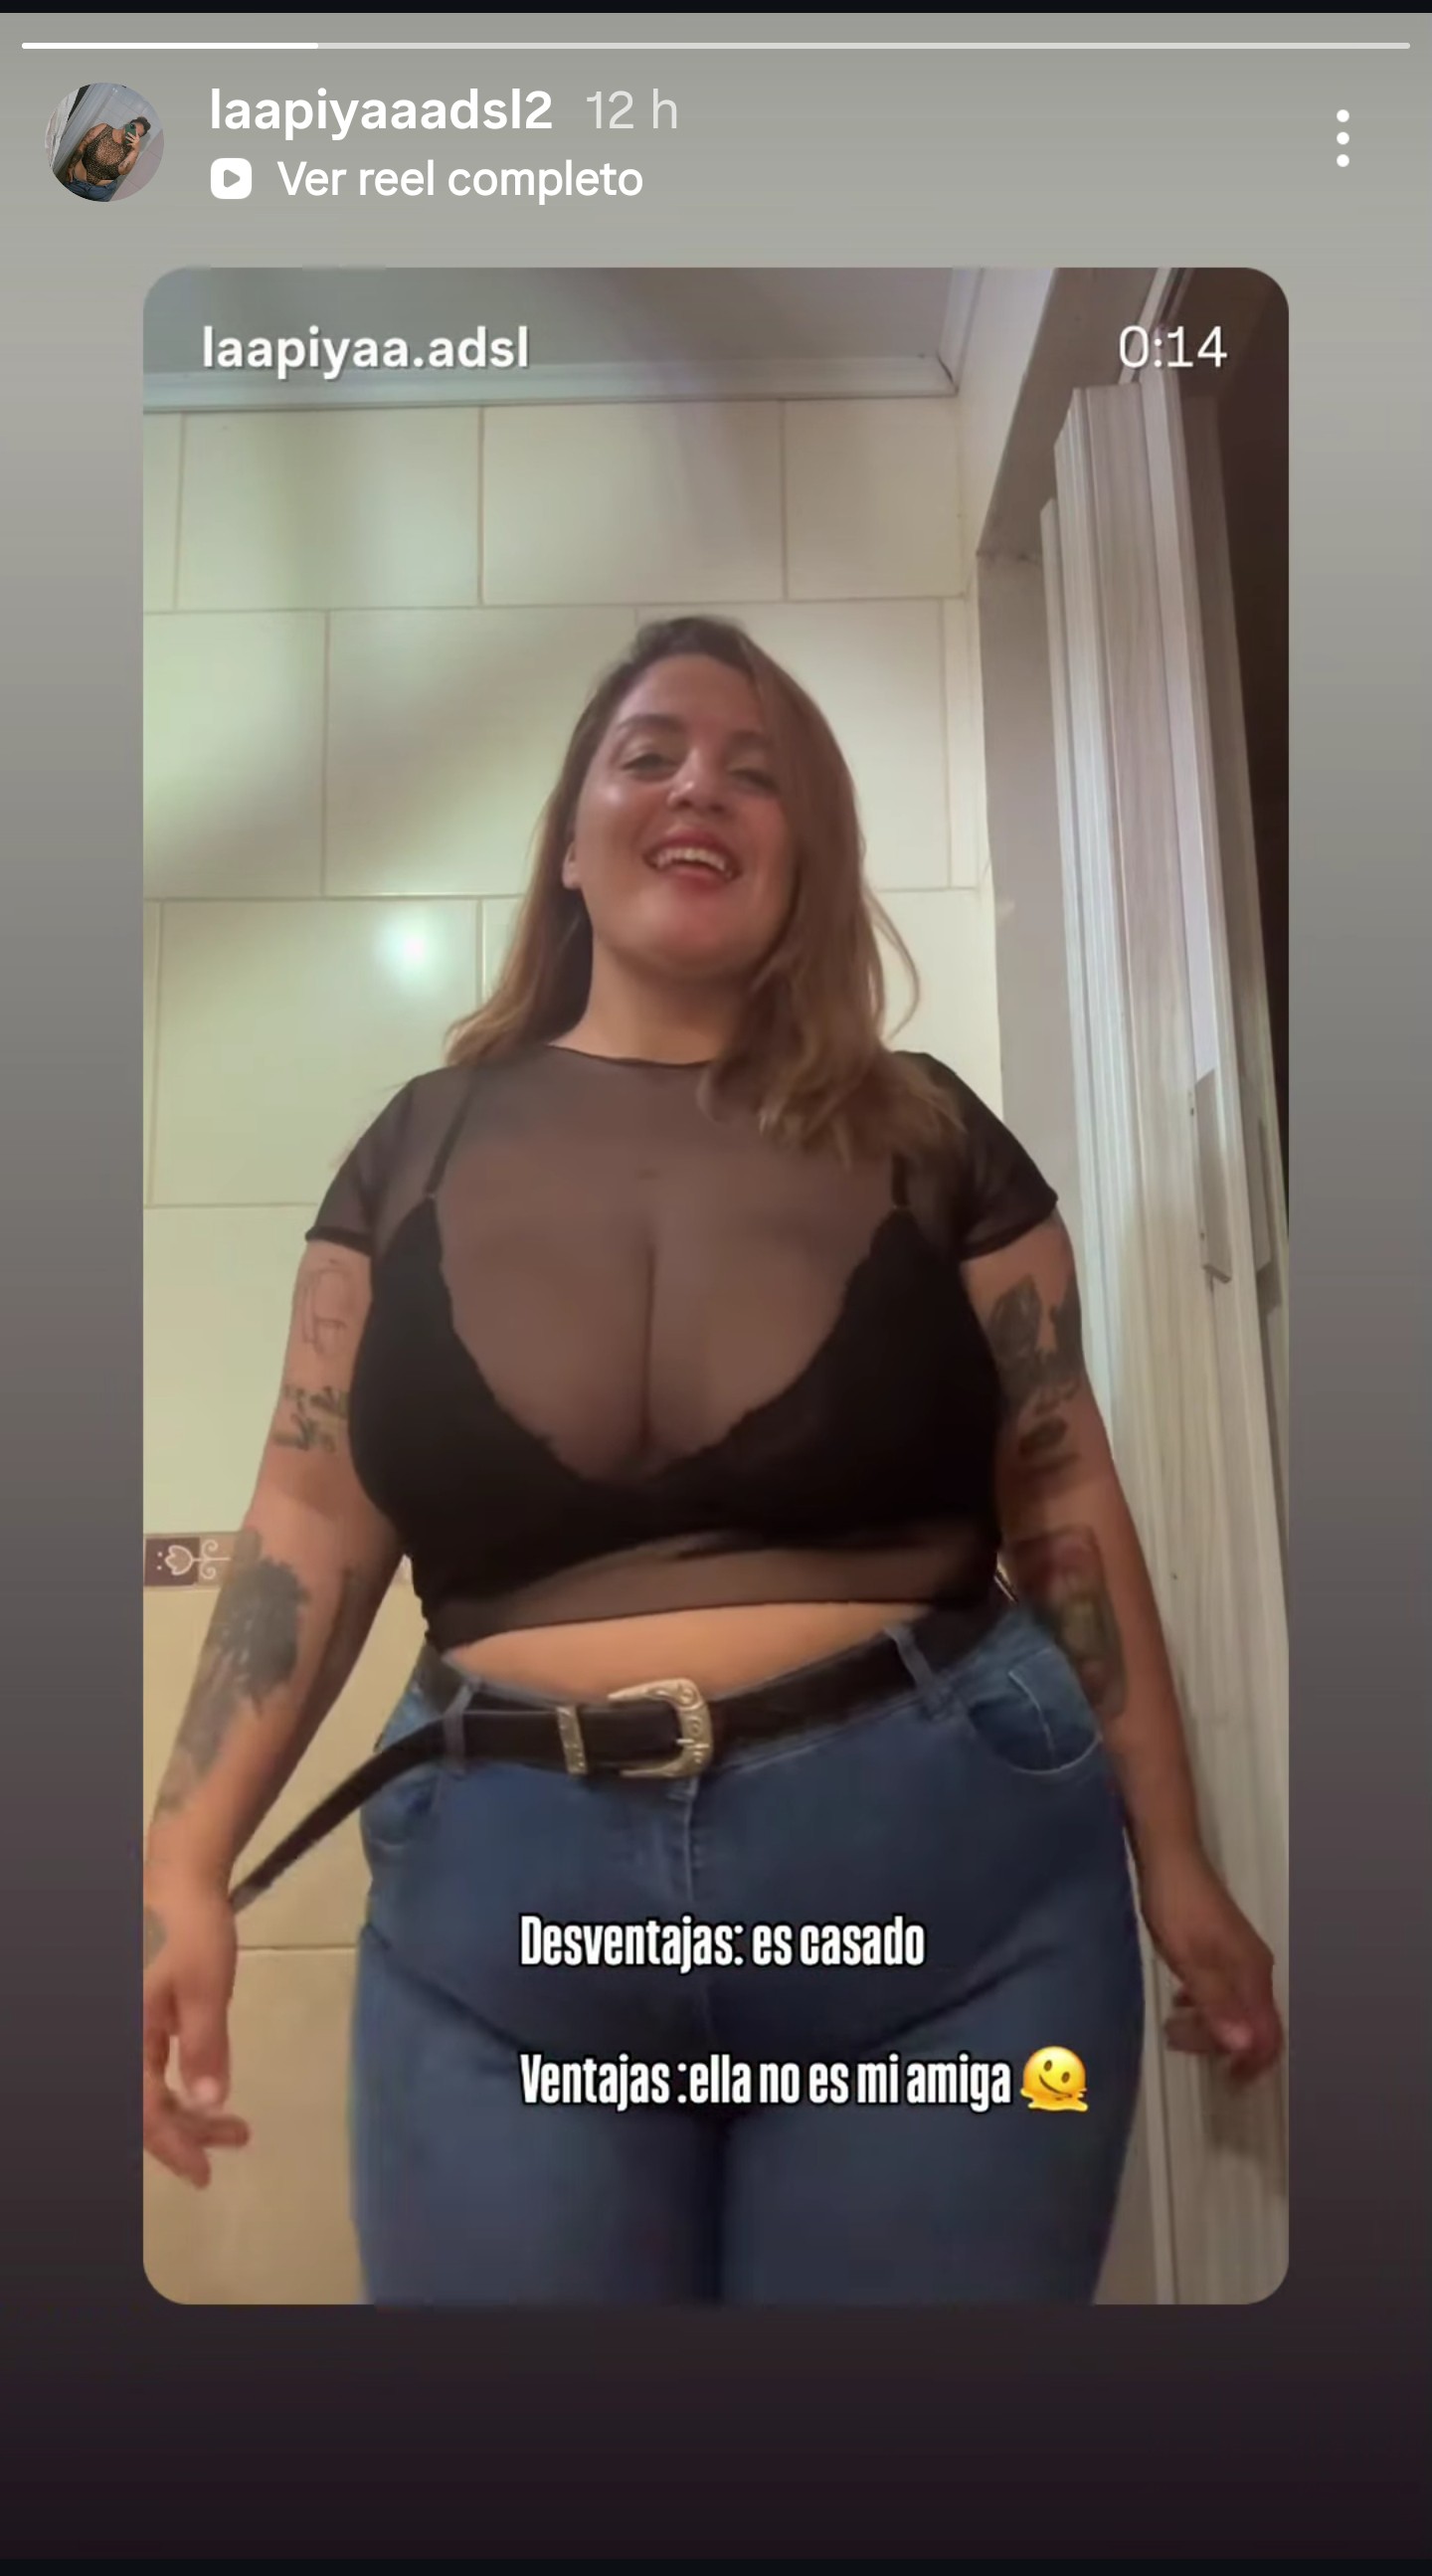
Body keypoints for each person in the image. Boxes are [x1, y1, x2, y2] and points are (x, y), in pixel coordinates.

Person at [142, 613, 1282, 2303]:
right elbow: (308, 1511)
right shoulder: (409, 1151)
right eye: (649, 754)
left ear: (805, 858)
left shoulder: (932, 1131)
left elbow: (1061, 1495)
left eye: (759, 774)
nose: (700, 788)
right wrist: (179, 1861)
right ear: (572, 842)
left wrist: (1172, 1851)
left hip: (945, 1925)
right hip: (508, 1946)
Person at [56, 110, 150, 201]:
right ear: (129, 124)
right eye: (133, 127)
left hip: (102, 192)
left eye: (137, 134)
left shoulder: (131, 151)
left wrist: (135, 150)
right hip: (75, 183)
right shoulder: (103, 128)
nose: (132, 132)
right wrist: (70, 166)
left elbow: (123, 171)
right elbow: (82, 146)